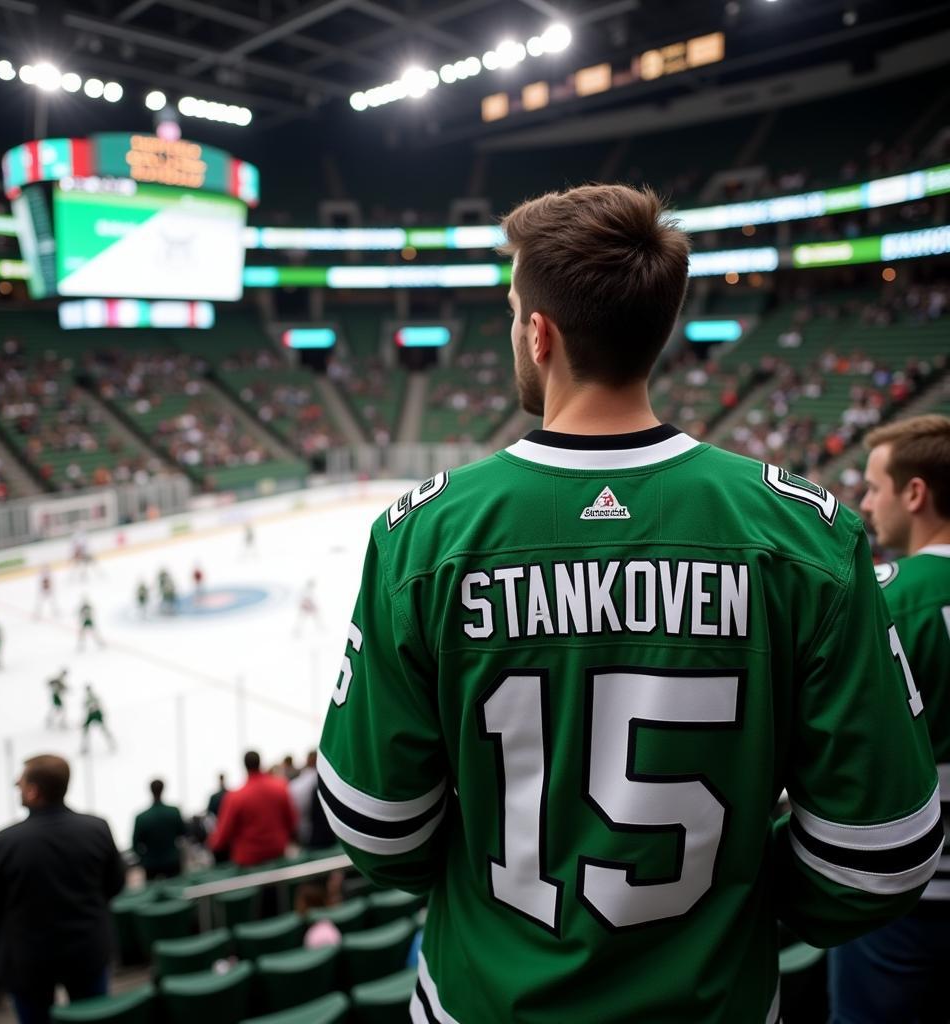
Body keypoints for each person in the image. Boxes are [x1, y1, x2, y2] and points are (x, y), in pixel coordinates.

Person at [317, 184, 942, 1024]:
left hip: (485, 999)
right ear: (660, 329)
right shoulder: (810, 536)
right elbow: (884, 852)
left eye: (513, 310)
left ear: (540, 334)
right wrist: (735, 905)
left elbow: (378, 826)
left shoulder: (422, 536)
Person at [828, 414, 950, 1022]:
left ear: (916, 493)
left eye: (875, 488)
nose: (867, 504)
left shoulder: (892, 593)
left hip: (905, 897)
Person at [0, 755, 125, 1024]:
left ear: (33, 792)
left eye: (21, 781)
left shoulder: (4, 842)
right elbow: (114, 884)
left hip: (27, 961)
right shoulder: (96, 828)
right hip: (88, 951)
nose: (17, 785)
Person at [209, 750, 296, 868]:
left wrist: (211, 843)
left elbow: (223, 835)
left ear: (245, 766)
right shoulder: (280, 787)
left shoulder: (235, 797)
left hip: (249, 862)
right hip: (278, 855)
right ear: (260, 763)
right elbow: (292, 820)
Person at [132, 779, 186, 881]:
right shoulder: (174, 812)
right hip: (172, 862)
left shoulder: (142, 818)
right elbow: (183, 833)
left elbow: (135, 844)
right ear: (163, 789)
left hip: (151, 865)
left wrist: (144, 858)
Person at [80, 685, 115, 754]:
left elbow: (98, 704)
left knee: (104, 729)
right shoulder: (87, 698)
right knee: (86, 730)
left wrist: (99, 712)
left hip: (96, 713)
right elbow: (85, 706)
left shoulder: (94, 697)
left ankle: (111, 743)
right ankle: (84, 747)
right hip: (91, 714)